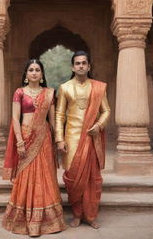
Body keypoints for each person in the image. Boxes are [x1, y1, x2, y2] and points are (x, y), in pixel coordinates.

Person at [2, 59, 66, 236]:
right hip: (25, 136)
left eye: (38, 69)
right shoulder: (19, 92)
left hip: (43, 138)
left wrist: (58, 140)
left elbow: (52, 121)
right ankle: (24, 220)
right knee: (26, 175)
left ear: (42, 74)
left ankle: (46, 222)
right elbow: (15, 118)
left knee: (44, 175)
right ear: (26, 74)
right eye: (31, 69)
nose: (34, 72)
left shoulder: (49, 93)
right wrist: (19, 141)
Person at [55, 51, 111, 229]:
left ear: (89, 66)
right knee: (73, 178)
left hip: (91, 138)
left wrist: (99, 125)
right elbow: (59, 115)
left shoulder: (98, 87)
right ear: (72, 67)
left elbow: (106, 111)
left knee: (92, 179)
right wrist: (59, 139)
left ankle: (91, 215)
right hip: (71, 139)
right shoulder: (65, 88)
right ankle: (77, 214)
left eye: (84, 63)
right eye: (77, 63)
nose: (80, 66)